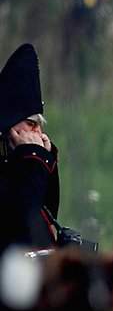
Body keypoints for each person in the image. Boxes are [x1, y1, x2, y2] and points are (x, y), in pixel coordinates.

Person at [0, 44, 62, 252]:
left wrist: (47, 162)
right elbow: (23, 225)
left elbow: (48, 213)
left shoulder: (23, 163)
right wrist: (35, 159)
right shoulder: (25, 164)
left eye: (39, 125)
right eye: (31, 123)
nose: (38, 132)